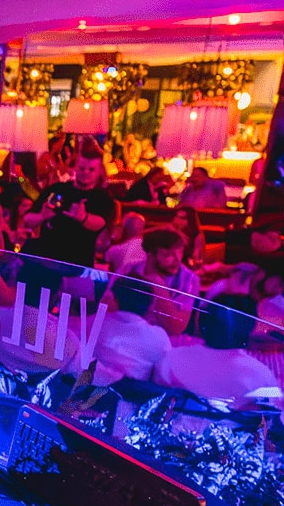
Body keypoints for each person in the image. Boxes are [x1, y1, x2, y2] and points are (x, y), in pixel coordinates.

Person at [152, 295, 281, 411]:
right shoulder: (260, 375)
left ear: (204, 322)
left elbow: (154, 403)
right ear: (249, 329)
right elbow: (270, 420)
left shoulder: (171, 358)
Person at [22, 136, 116, 267]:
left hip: (77, 266)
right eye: (82, 168)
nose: (85, 173)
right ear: (76, 167)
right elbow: (27, 219)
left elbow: (100, 223)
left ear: (99, 171)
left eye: (91, 170)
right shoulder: (57, 189)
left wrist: (83, 217)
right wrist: (41, 216)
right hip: (45, 261)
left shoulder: (102, 198)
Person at [92, 278, 171, 386]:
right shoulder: (158, 337)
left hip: (89, 392)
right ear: (151, 305)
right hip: (132, 399)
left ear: (114, 297)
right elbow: (163, 379)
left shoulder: (94, 323)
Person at [126, 227, 201, 337]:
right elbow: (107, 311)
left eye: (180, 252)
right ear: (151, 256)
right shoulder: (128, 271)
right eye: (168, 255)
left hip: (167, 343)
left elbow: (175, 327)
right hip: (128, 335)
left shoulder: (188, 279)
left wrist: (158, 285)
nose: (177, 259)